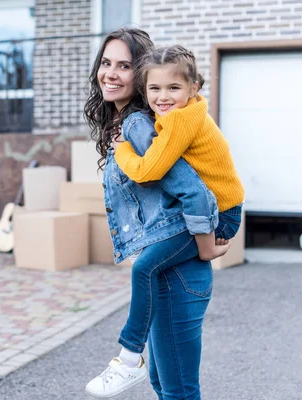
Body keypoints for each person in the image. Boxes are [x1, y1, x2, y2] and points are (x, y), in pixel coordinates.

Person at [83, 28, 218, 400]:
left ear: (140, 75)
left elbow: (195, 191)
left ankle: (128, 359)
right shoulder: (128, 124)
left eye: (123, 66)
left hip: (179, 274)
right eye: (106, 63)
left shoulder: (139, 126)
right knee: (166, 387)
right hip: (167, 269)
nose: (110, 73)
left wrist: (206, 244)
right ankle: (129, 361)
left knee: (177, 392)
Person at [113, 44, 245, 261]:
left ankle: (207, 250)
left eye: (173, 88)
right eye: (155, 88)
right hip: (223, 208)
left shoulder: (178, 120)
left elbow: (147, 173)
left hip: (217, 213)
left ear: (193, 88)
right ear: (145, 90)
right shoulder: (192, 109)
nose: (163, 97)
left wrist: (122, 149)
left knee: (145, 268)